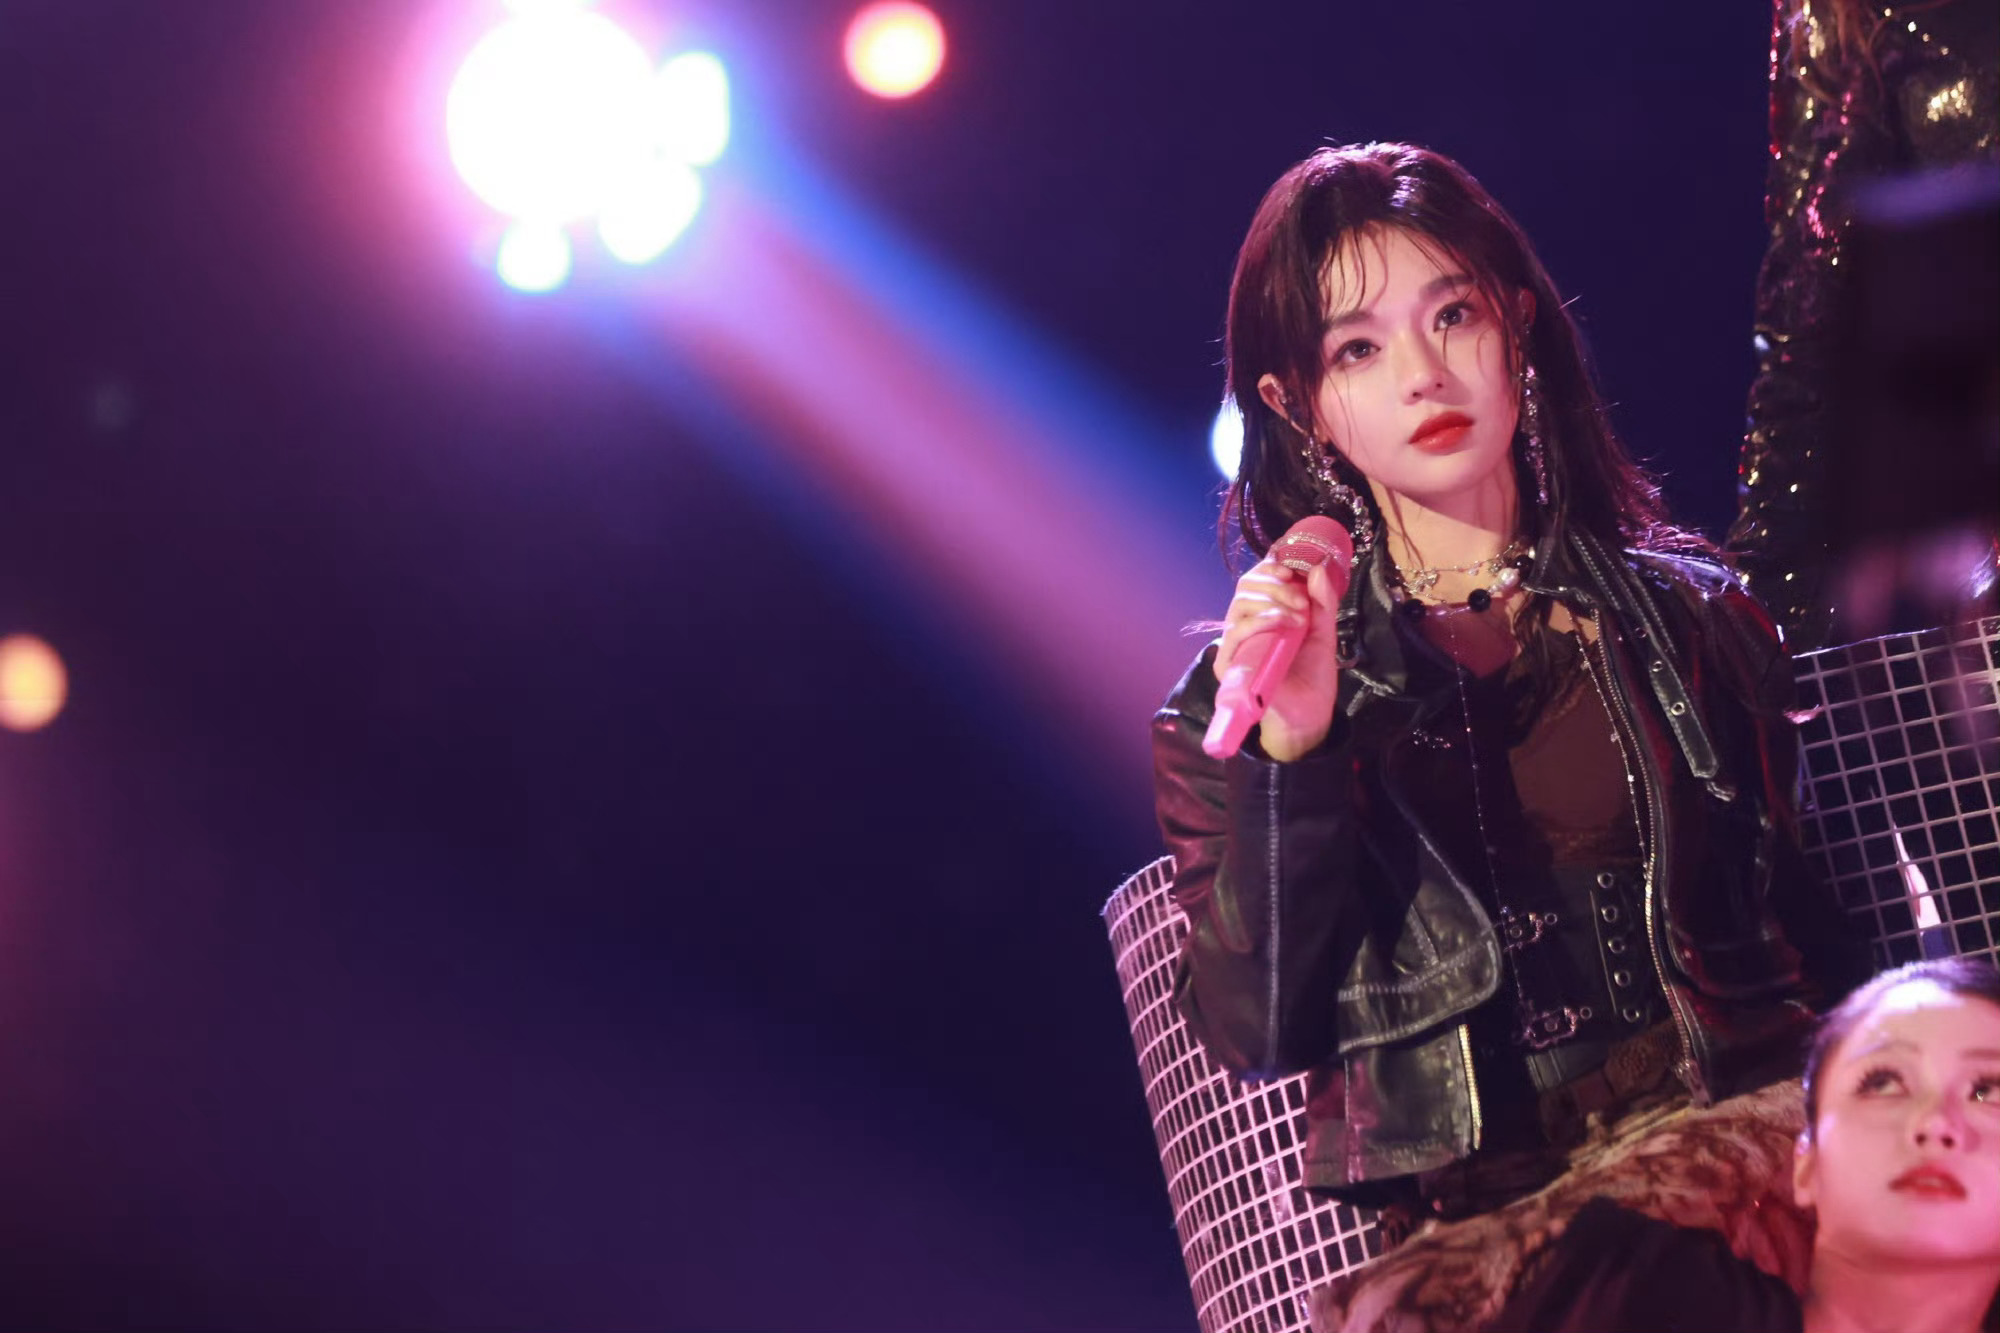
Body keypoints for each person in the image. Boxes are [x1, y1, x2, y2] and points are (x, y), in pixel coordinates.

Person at [1150, 142, 1872, 1332]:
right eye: (1357, 349)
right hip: (1488, 1241)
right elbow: (1258, 1025)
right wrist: (1295, 754)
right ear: (1297, 403)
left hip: (1741, 1163)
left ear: (1517, 327)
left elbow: (1820, 925)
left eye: (1453, 316)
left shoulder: (1687, 618)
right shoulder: (1227, 705)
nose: (1423, 375)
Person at [1489, 955, 2000, 1333]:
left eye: (1987, 1091)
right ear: (1806, 1164)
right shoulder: (1636, 1288)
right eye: (1884, 1081)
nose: (1935, 1121)